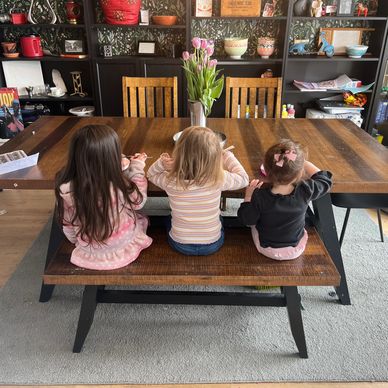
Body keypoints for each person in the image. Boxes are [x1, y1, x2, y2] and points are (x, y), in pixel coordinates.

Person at [55, 124, 152, 270]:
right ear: (112, 156)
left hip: (90, 249)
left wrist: (77, 242)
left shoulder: (65, 187)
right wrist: (137, 167)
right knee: (140, 216)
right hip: (122, 246)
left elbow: (67, 222)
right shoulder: (118, 183)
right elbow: (138, 202)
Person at [147, 126, 249, 255]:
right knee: (220, 218)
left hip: (180, 244)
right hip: (212, 244)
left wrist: (162, 164)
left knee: (168, 217)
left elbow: (151, 175)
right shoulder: (219, 178)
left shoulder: (171, 180)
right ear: (215, 157)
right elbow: (244, 179)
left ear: (178, 153)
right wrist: (228, 156)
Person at [237, 139, 332, 261]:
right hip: (296, 248)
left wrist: (248, 196)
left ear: (266, 170)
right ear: (299, 173)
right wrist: (303, 163)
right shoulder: (306, 190)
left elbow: (246, 220)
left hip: (267, 249)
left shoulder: (260, 196)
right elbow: (325, 180)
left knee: (253, 221)